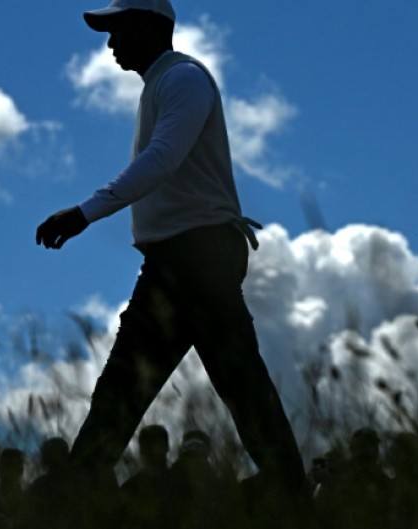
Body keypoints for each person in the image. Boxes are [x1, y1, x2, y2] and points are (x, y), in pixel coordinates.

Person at [34, 0, 306, 513]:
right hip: (180, 262)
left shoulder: (183, 80)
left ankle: (71, 497)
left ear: (146, 24)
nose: (110, 43)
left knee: (199, 391)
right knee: (228, 389)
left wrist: (85, 213)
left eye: (117, 29)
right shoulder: (164, 84)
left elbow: (162, 159)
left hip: (196, 260)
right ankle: (295, 500)